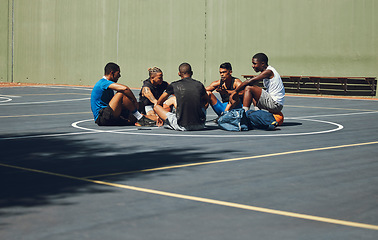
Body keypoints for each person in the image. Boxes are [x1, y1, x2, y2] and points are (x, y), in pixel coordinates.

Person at [90, 62, 156, 126]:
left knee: (133, 115)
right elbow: (125, 89)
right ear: (111, 73)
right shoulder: (102, 83)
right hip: (102, 117)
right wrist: (134, 101)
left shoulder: (108, 86)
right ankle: (140, 118)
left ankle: (158, 119)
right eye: (118, 73)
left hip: (108, 115)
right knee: (121, 94)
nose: (119, 76)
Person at [154, 63, 208, 131]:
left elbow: (159, 102)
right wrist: (201, 109)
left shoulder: (174, 85)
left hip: (182, 125)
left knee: (156, 107)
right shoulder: (199, 85)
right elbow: (207, 100)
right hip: (200, 124)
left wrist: (159, 116)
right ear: (191, 73)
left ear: (179, 73)